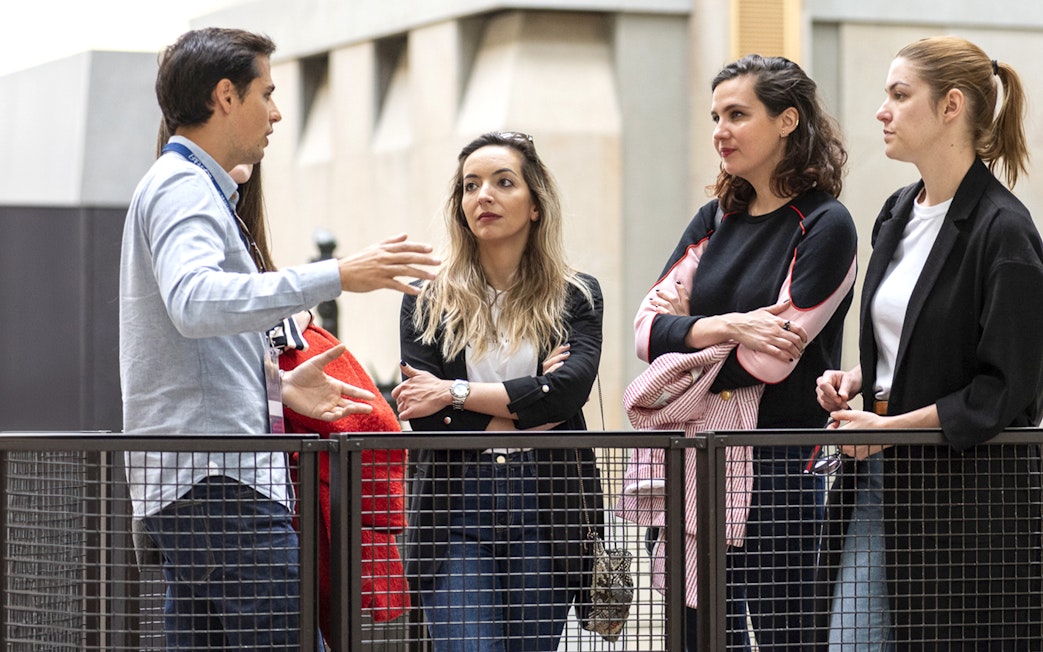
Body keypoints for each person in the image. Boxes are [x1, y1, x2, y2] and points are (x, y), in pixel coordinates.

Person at [120, 27, 439, 650]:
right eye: (266, 92)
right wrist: (337, 274)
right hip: (221, 487)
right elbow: (194, 301)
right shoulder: (184, 187)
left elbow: (191, 337)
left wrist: (278, 384)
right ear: (225, 96)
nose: (278, 110)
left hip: (198, 487)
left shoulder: (180, 185)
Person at [815, 36, 1043, 649]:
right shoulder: (896, 212)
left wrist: (888, 429)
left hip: (962, 506)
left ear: (950, 107)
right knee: (847, 639)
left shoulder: (1006, 233)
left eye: (898, 94)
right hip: (876, 484)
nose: (882, 111)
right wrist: (862, 378)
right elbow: (912, 334)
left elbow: (1003, 392)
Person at [634, 54, 857, 651]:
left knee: (787, 638)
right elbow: (642, 331)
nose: (719, 131)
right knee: (697, 639)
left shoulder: (825, 224)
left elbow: (772, 359)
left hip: (779, 469)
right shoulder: (714, 219)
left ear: (787, 121)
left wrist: (683, 345)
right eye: (715, 116)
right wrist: (729, 325)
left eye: (737, 114)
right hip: (693, 466)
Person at [391, 130, 604, 650]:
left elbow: (566, 394)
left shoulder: (575, 295)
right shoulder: (427, 300)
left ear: (535, 204)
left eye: (502, 182)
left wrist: (454, 392)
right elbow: (423, 415)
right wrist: (528, 406)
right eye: (470, 185)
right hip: (456, 505)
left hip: (547, 504)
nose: (482, 195)